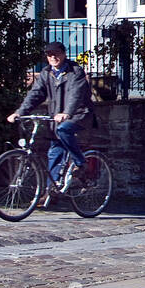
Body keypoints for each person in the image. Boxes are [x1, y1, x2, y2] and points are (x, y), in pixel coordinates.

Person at [7, 42, 95, 204]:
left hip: (79, 115)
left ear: (64, 54)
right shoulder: (46, 73)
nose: (53, 57)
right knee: (54, 154)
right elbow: (35, 94)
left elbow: (76, 94)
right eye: (49, 54)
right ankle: (50, 192)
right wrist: (20, 112)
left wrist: (68, 112)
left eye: (56, 53)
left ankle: (80, 163)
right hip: (57, 118)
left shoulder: (75, 72)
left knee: (63, 130)